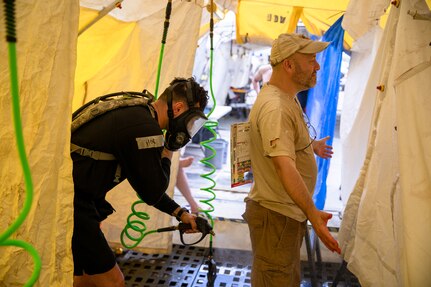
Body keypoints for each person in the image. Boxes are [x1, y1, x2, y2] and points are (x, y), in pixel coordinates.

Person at [71, 77, 209, 287]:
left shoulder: (139, 113)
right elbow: (153, 190)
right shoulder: (144, 128)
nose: (188, 130)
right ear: (179, 108)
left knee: (82, 279)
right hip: (75, 207)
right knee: (113, 282)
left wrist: (181, 213)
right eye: (191, 121)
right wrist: (170, 149)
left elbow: (147, 183)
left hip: (78, 201)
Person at [242, 33, 341, 287]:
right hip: (276, 217)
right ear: (288, 65)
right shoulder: (276, 106)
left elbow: (287, 144)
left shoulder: (285, 98)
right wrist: (313, 214)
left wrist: (310, 146)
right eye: (310, 60)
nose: (317, 66)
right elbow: (284, 167)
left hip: (283, 216)